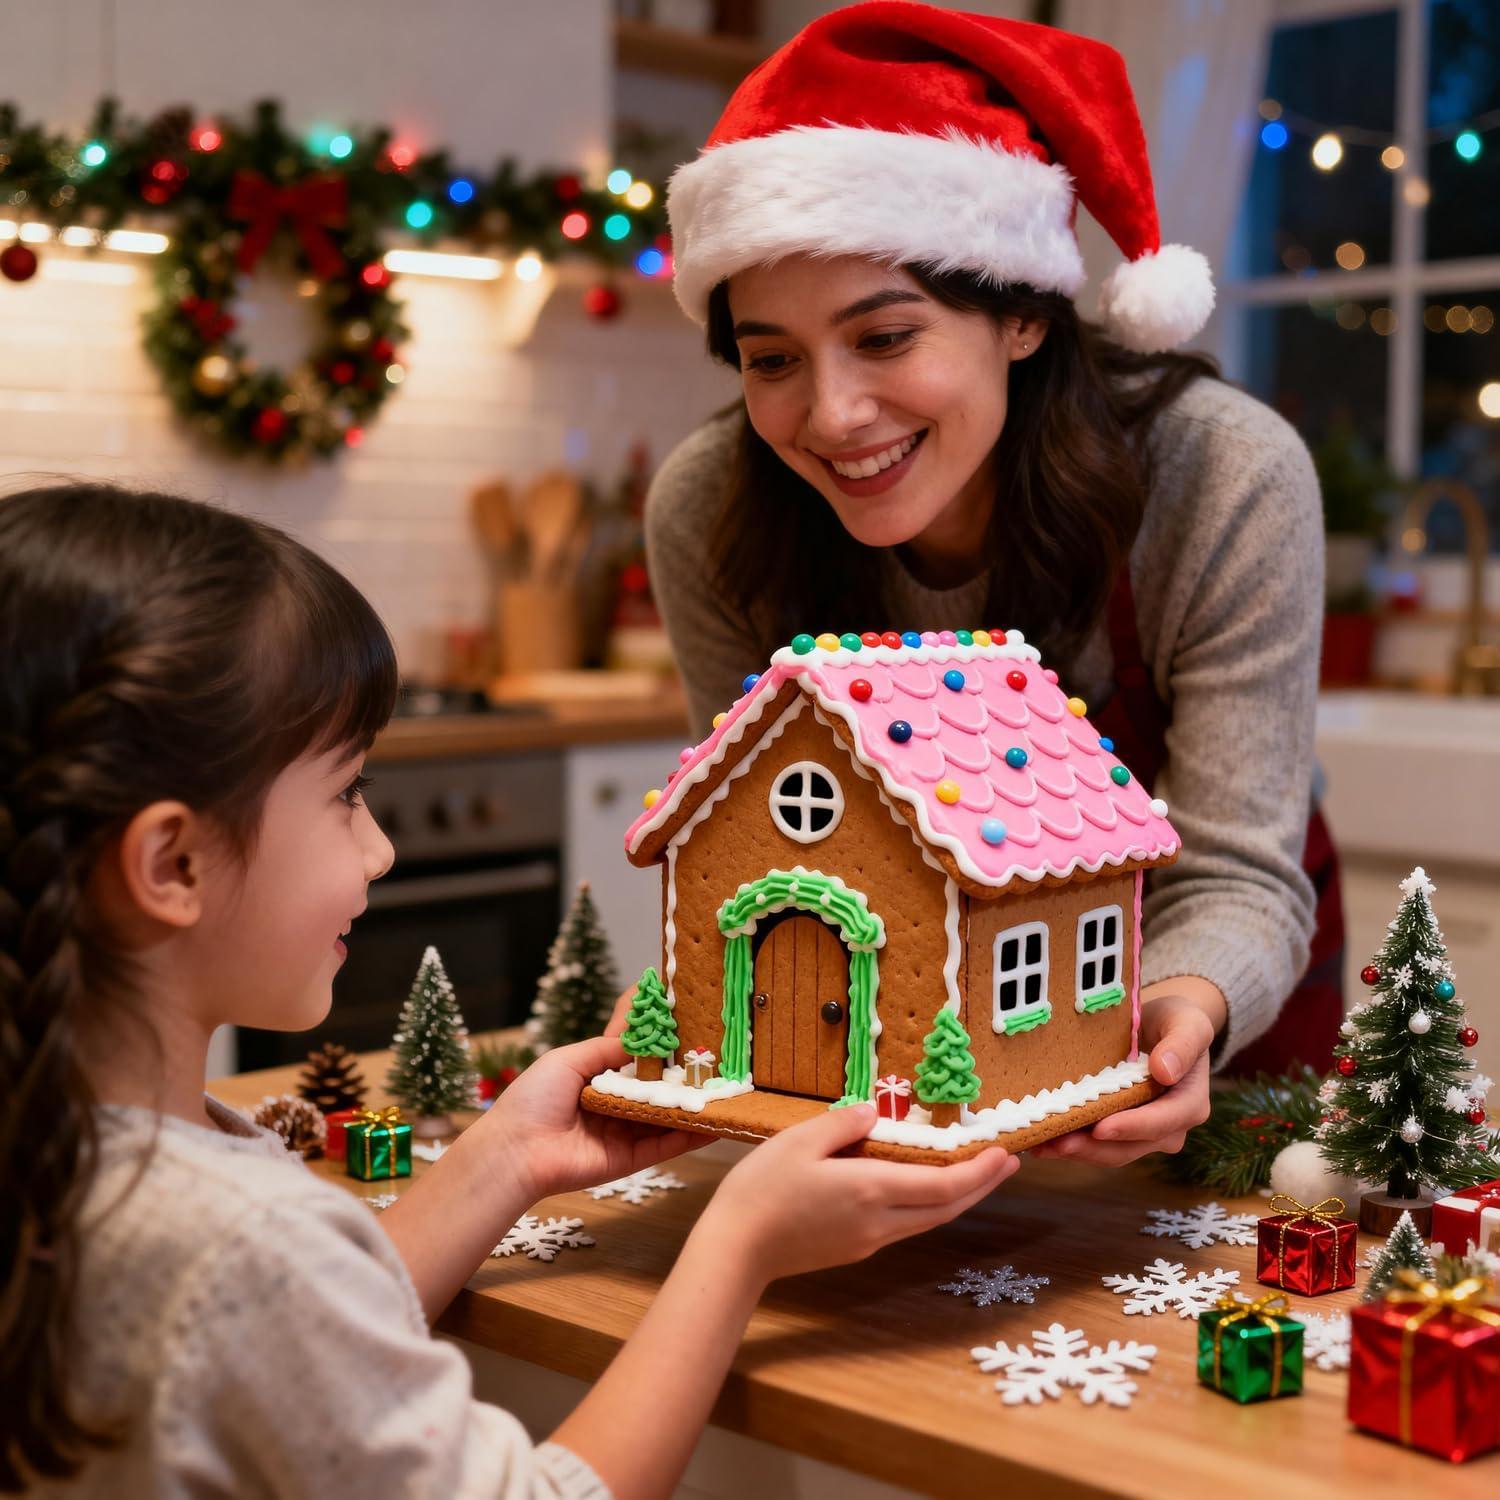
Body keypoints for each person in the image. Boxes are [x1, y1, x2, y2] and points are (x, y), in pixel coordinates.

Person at [0, 482, 1015, 1497]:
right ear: (172, 864)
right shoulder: (240, 1249)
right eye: (347, 794)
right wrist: (738, 1245)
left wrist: (508, 1159)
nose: (380, 847)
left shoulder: (93, 1169)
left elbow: (286, 1363)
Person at [644, 0, 1345, 1165]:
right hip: (874, 1073)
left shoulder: (1221, 476)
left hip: (1211, 1063)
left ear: (1020, 313)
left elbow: (1232, 869)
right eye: (772, 359)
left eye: (884, 337)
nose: (831, 416)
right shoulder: (710, 509)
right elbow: (750, 859)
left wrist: (1171, 1023)